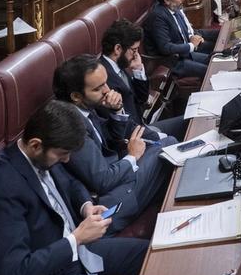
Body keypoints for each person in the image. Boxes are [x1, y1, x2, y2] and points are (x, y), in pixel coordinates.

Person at [0, 100, 147, 275]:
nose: (67, 159)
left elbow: (71, 183)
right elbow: (14, 274)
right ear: (35, 145)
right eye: (63, 153)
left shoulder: (41, 155)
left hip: (78, 252)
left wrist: (86, 206)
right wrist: (77, 238)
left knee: (150, 254)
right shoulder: (1, 190)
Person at [52, 53, 172, 235]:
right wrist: (133, 156)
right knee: (167, 147)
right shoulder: (70, 124)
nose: (108, 90)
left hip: (117, 175)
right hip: (108, 203)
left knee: (164, 143)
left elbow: (109, 142)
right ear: (76, 96)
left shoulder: (84, 108)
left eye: (106, 83)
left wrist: (116, 111)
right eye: (99, 88)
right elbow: (102, 180)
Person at [143, 0, 216, 78]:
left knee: (214, 61)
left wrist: (193, 37)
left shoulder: (174, 8)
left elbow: (184, 32)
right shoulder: (158, 17)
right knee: (209, 72)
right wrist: (191, 45)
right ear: (167, 0)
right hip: (171, 62)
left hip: (183, 55)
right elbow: (165, 47)